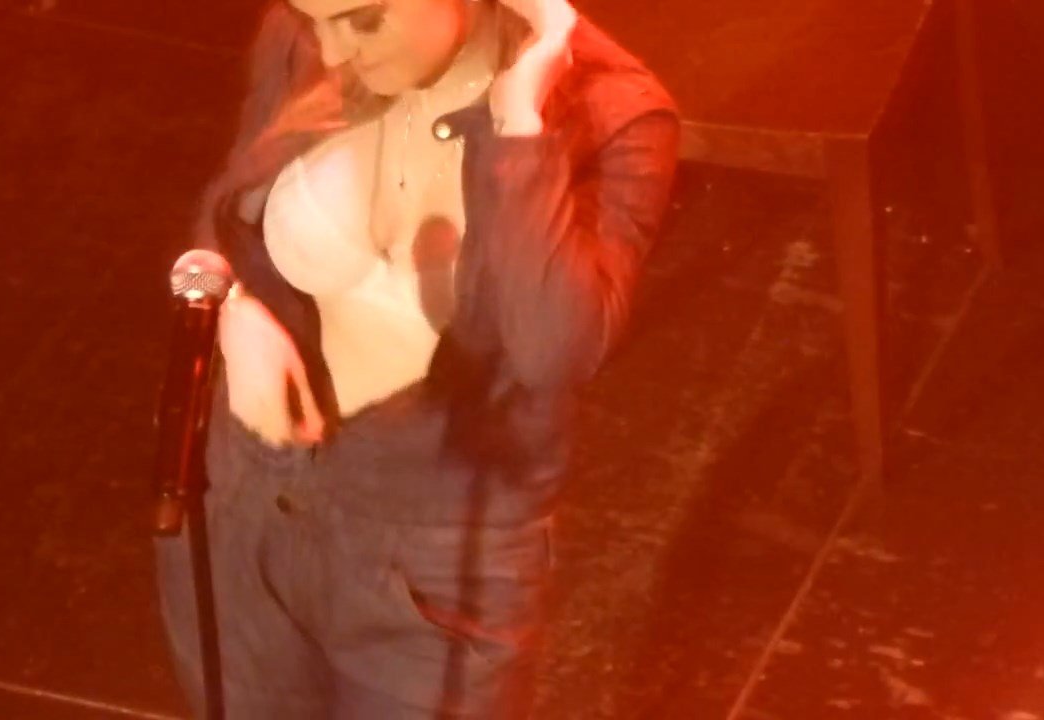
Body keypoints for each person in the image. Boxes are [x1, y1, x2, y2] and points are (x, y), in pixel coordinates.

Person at [154, 0, 679, 716]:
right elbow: (223, 213)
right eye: (315, 20)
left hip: (435, 560)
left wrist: (518, 123)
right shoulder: (307, 33)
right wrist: (235, 311)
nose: (334, 52)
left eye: (365, 20)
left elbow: (551, 349)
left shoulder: (612, 113)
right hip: (243, 503)